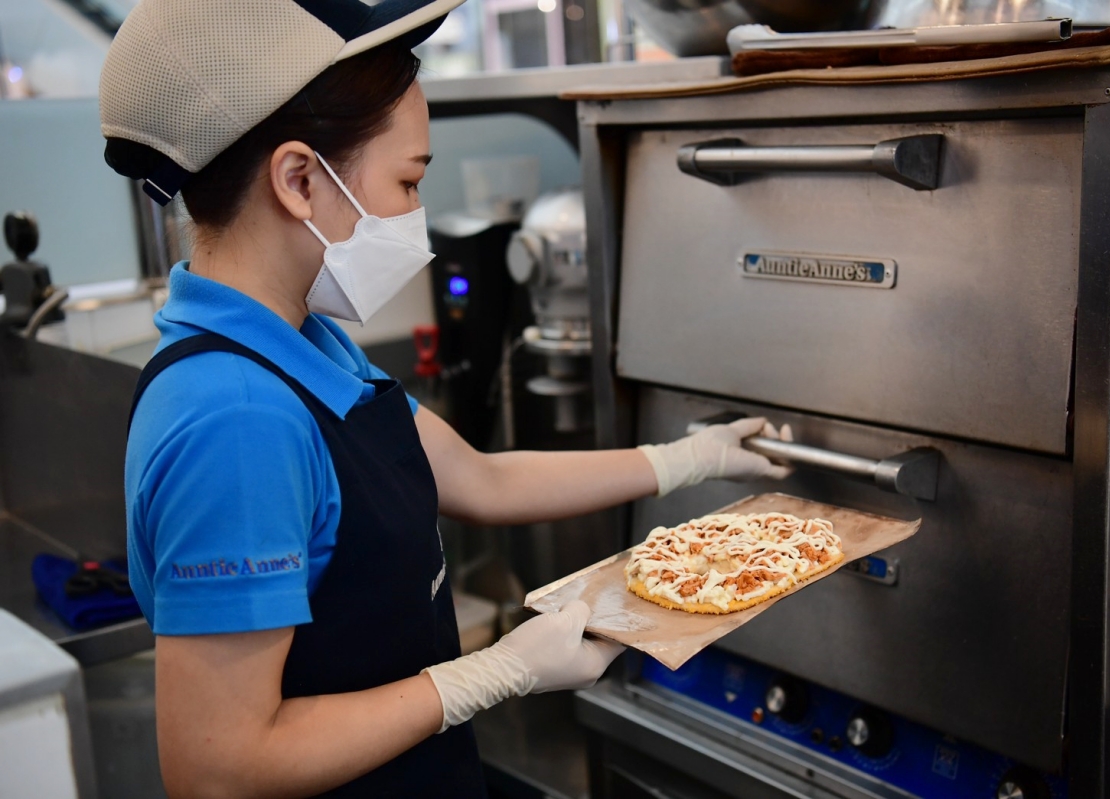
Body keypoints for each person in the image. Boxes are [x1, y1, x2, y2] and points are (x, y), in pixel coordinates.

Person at [103, 1, 794, 796]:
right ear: (299, 180)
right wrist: (488, 674)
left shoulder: (301, 342)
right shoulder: (234, 419)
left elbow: (481, 479)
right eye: (408, 180)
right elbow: (217, 768)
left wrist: (688, 457)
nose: (414, 215)